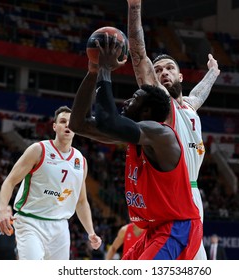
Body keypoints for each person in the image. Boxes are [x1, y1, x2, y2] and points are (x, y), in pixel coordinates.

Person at [69, 33, 202, 260]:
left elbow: (107, 120)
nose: (127, 101)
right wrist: (92, 72)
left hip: (178, 228)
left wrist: (105, 69)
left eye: (135, 98)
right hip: (157, 229)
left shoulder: (161, 134)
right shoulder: (138, 135)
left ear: (147, 112)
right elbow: (78, 123)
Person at [126, 0, 220, 260]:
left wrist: (213, 72)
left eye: (169, 68)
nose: (163, 73)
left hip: (193, 194)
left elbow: (199, 94)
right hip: (172, 195)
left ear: (180, 77)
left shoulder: (189, 107)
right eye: (158, 71)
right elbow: (138, 55)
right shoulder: (163, 105)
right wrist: (134, 8)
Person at [0, 106, 102, 260]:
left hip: (60, 227)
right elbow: (10, 181)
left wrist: (91, 232)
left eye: (71, 122)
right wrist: (2, 209)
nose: (67, 125)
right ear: (54, 126)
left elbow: (81, 201)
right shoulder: (38, 150)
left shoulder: (81, 161)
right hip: (30, 222)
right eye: (63, 121)